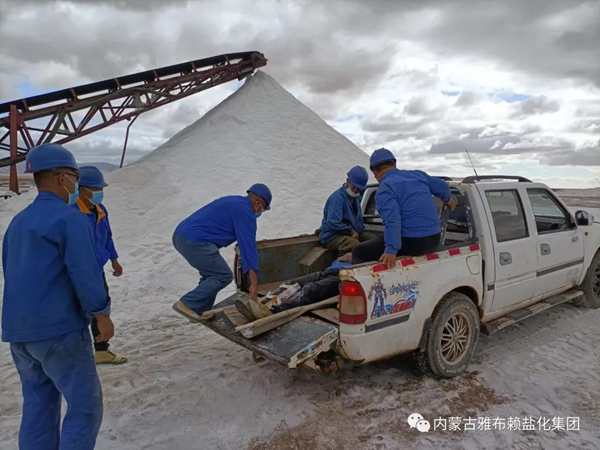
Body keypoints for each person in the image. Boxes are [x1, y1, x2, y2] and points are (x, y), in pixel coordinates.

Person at [1, 143, 113, 450]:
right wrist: (101, 314)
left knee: (39, 405)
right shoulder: (69, 219)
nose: (76, 185)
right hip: (59, 330)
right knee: (84, 406)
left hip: (20, 333)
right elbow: (85, 273)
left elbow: (12, 272)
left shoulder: (18, 222)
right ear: (63, 178)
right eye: (75, 178)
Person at [172, 183, 272, 317]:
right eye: (263, 209)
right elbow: (248, 247)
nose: (260, 212)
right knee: (223, 275)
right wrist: (254, 283)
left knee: (211, 275)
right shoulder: (246, 212)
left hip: (180, 236)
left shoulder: (233, 201)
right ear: (258, 203)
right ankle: (188, 304)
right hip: (195, 240)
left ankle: (199, 311)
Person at [352, 148, 457, 267]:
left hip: (413, 242)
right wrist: (448, 199)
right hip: (434, 239)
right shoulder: (417, 175)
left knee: (358, 251)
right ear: (394, 163)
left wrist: (391, 250)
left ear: (374, 172)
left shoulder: (385, 188)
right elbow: (442, 186)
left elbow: (393, 220)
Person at [74, 166, 127, 365]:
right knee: (77, 310)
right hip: (78, 271)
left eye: (101, 189)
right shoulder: (73, 213)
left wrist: (114, 259)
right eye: (96, 189)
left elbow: (107, 236)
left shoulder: (100, 209)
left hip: (97, 268)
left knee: (101, 305)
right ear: (82, 190)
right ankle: (76, 353)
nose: (100, 192)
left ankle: (102, 350)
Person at [234, 253, 352, 321]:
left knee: (310, 290)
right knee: (292, 284)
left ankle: (271, 311)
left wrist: (351, 257)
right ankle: (264, 304)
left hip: (342, 277)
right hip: (327, 272)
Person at [318, 165, 378, 256]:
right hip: (332, 236)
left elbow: (358, 221)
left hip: (349, 234)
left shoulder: (356, 198)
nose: (356, 190)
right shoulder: (337, 198)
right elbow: (333, 222)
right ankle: (341, 261)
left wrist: (359, 231)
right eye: (354, 186)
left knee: (374, 240)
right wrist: (351, 231)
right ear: (348, 181)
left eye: (359, 188)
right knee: (354, 245)